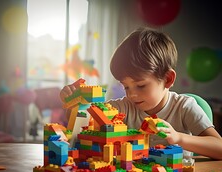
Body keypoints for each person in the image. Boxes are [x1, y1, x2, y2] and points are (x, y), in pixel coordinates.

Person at [60, 27, 222, 160]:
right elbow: (84, 123)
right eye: (126, 87)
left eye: (141, 86)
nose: (132, 95)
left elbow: (219, 147)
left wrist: (178, 138)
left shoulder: (184, 107)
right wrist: (73, 103)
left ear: (167, 79)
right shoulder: (122, 108)